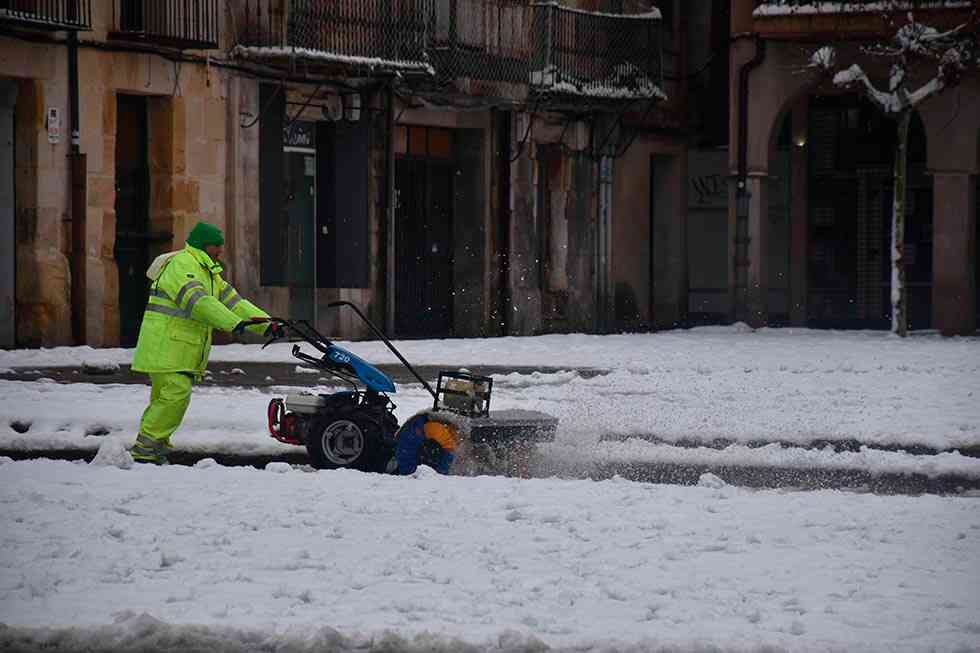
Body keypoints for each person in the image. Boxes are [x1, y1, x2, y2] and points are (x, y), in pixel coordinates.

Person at [130, 221, 280, 464]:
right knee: (175, 395)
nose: (221, 250)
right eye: (217, 246)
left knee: (165, 400)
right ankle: (145, 451)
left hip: (176, 348)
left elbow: (235, 303)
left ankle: (152, 449)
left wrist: (267, 325)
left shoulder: (209, 272)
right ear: (204, 245)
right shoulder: (183, 265)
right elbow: (198, 302)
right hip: (165, 346)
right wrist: (232, 323)